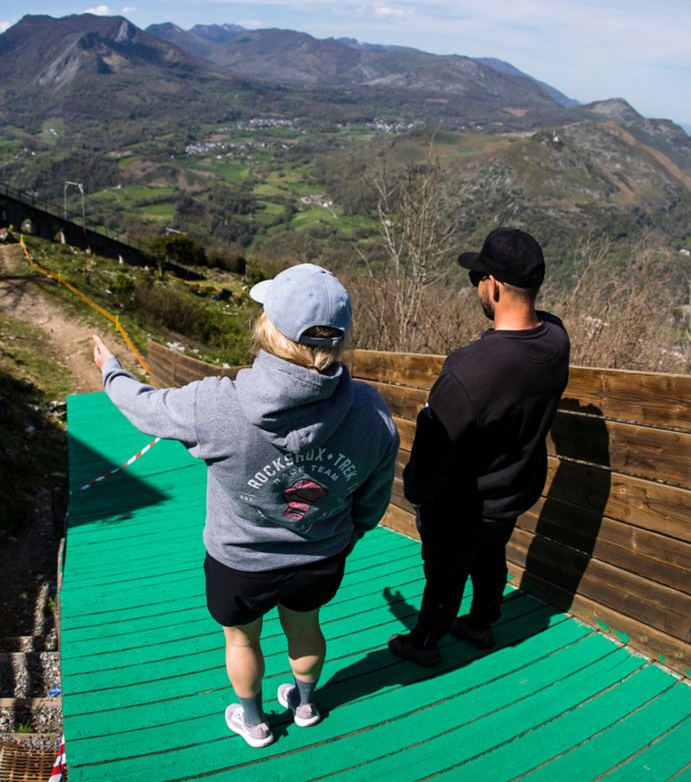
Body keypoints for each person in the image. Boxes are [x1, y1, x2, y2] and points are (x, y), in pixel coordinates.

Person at [91, 263, 399, 748]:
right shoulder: (372, 410)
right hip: (321, 554)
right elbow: (375, 495)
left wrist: (111, 370)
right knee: (306, 629)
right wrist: (350, 533)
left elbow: (143, 408)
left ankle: (253, 721)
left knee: (241, 639)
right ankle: (304, 703)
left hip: (239, 560)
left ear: (269, 329)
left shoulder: (214, 406)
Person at [387, 227, 570, 666]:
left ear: (494, 285)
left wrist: (417, 493)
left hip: (463, 502)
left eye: (477, 279)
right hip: (514, 488)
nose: (476, 288)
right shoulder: (557, 339)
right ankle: (481, 621)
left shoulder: (469, 371)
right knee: (490, 557)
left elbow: (435, 449)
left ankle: (425, 642)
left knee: (444, 572)